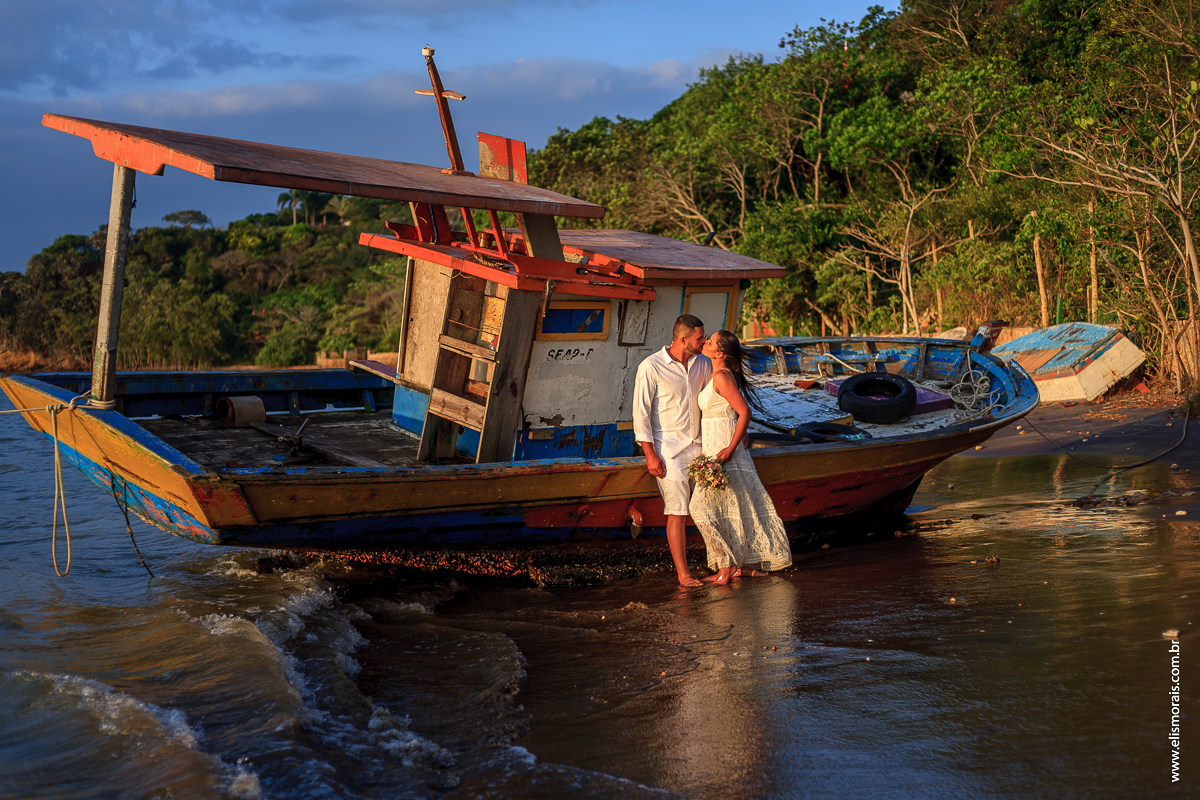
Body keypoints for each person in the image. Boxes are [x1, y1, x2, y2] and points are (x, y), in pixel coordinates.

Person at [689, 330, 792, 585]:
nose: (705, 343)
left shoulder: (722, 377)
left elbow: (744, 411)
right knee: (727, 507)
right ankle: (735, 567)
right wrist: (739, 434)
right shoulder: (718, 374)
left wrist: (732, 447)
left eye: (710, 342)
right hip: (716, 448)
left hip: (725, 451)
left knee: (699, 507)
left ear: (720, 353)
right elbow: (736, 412)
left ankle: (727, 567)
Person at [633, 314, 712, 587]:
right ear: (683, 339)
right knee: (677, 512)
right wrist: (650, 454)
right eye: (700, 338)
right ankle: (684, 574)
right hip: (669, 451)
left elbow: (715, 398)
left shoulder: (704, 363)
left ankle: (721, 564)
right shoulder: (651, 367)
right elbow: (641, 414)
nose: (704, 342)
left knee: (710, 507)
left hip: (702, 447)